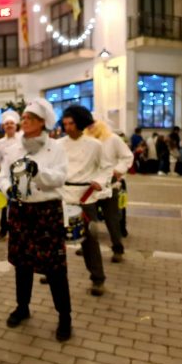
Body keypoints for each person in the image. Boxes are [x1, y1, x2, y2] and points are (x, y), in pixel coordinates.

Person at [0, 98, 71, 341]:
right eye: (24, 117)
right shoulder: (14, 148)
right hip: (21, 211)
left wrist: (38, 173)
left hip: (47, 211)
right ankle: (22, 307)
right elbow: (4, 177)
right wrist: (9, 190)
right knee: (22, 263)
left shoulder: (56, 147)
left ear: (42, 122)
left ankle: (65, 316)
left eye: (29, 118)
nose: (24, 121)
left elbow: (60, 177)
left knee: (55, 267)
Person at [60, 106, 112, 296]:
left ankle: (98, 279)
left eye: (71, 123)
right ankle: (54, 273)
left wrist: (99, 182)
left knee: (89, 241)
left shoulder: (95, 145)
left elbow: (106, 167)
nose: (67, 127)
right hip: (63, 196)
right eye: (64, 123)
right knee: (57, 240)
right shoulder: (58, 145)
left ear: (80, 123)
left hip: (85, 197)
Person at [85, 121, 134, 262]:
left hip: (109, 185)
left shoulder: (113, 139)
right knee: (89, 222)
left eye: (92, 124)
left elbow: (127, 156)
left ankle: (117, 249)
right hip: (90, 186)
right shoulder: (85, 141)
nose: (90, 128)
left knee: (112, 219)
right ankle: (88, 248)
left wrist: (118, 170)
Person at [0, 110, 20, 242]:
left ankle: (18, 231)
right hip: (5, 177)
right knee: (4, 205)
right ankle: (3, 230)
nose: (9, 126)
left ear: (16, 126)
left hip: (21, 177)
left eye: (11, 123)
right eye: (6, 124)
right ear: (3, 127)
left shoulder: (23, 140)